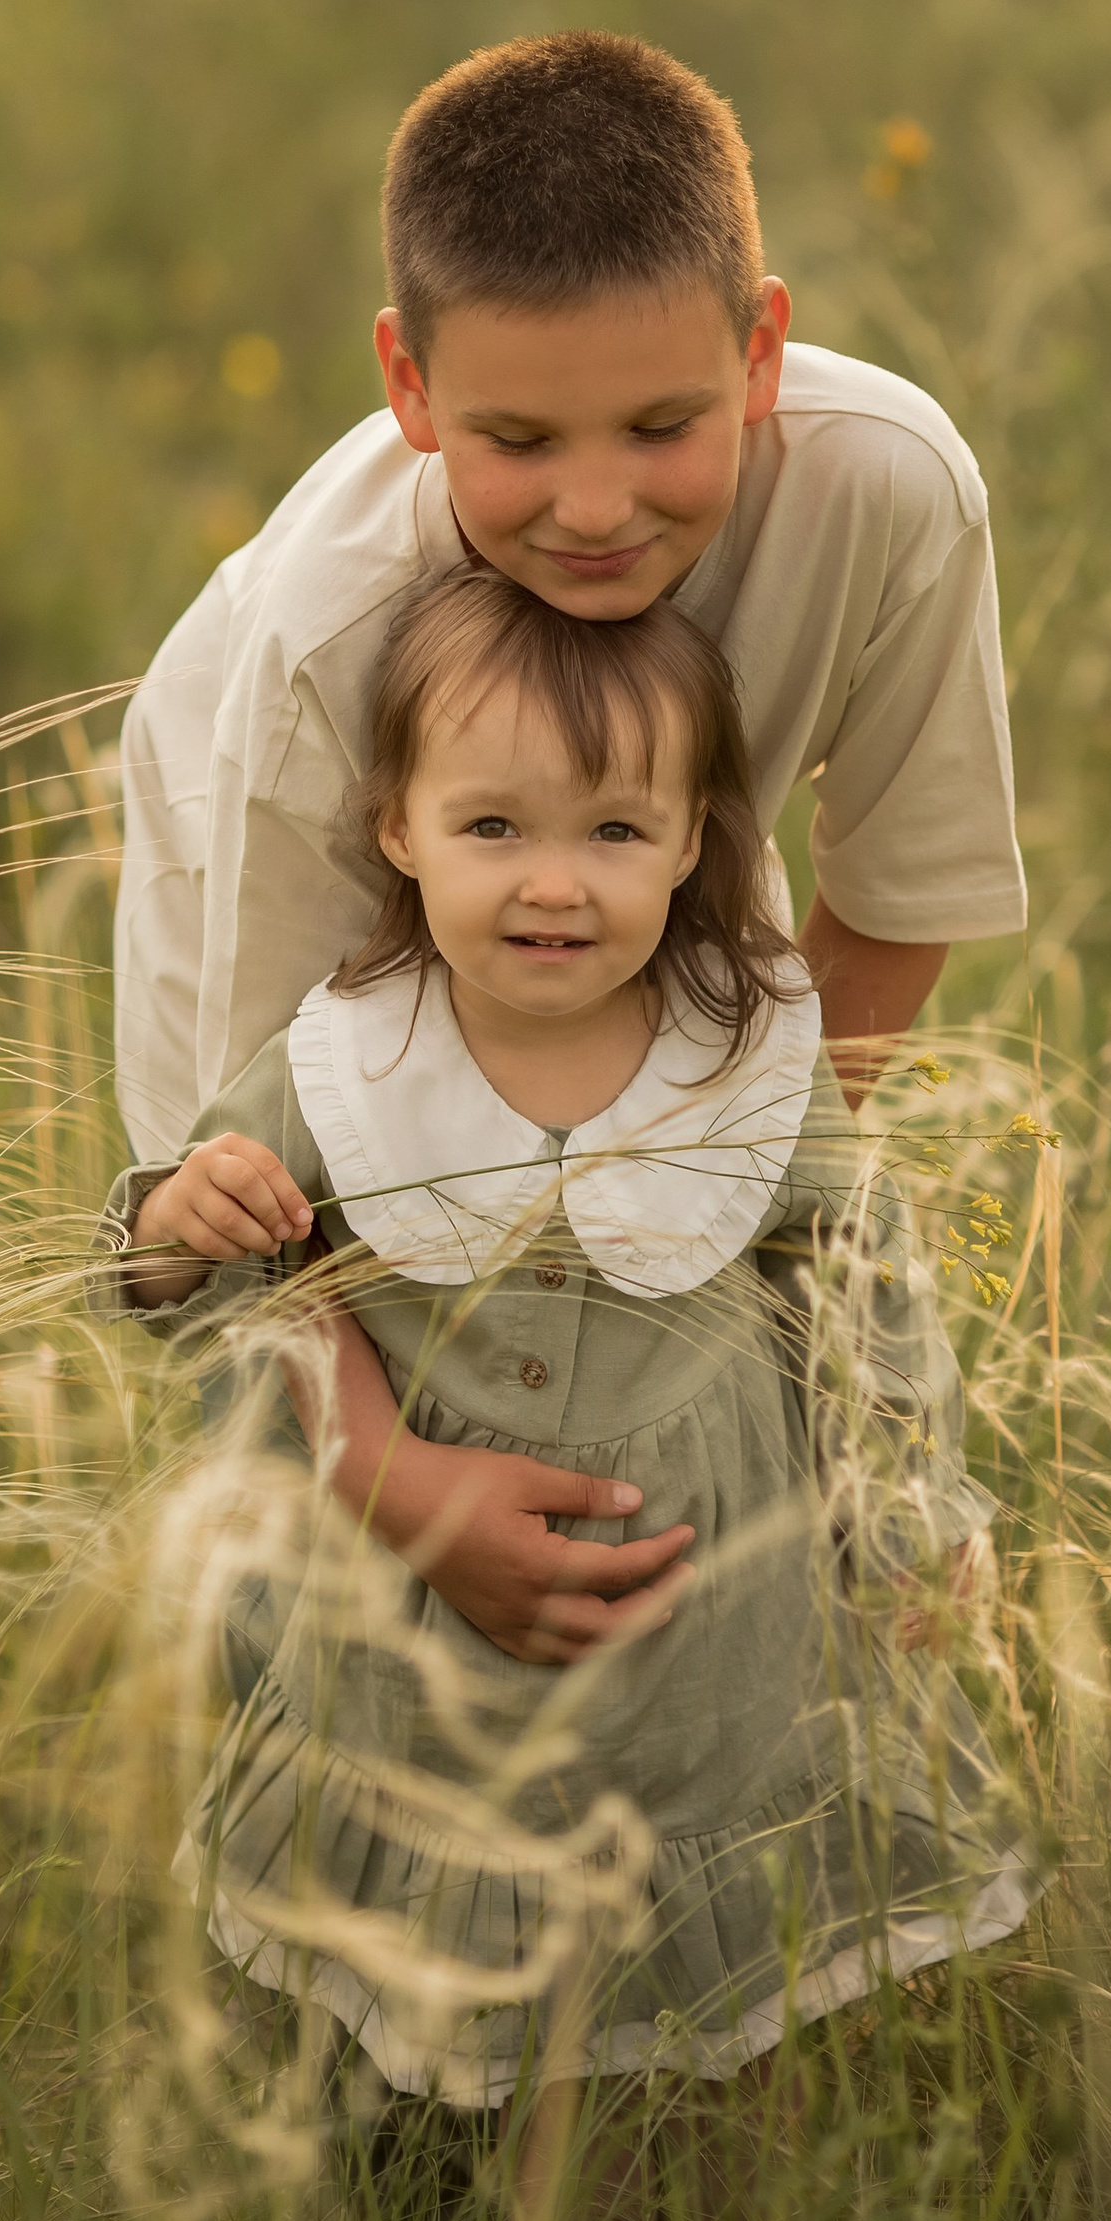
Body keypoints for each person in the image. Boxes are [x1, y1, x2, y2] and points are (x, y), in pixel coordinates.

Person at [106, 29, 1026, 1662]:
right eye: (518, 443)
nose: (595, 508)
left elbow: (885, 918)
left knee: (731, 1513)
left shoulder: (889, 494)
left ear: (762, 350)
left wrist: (749, 1248)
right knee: (335, 1573)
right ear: (409, 387)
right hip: (291, 926)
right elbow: (246, 1185)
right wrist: (398, 1482)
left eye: (663, 426)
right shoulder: (326, 647)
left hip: (634, 884)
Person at [115, 559, 1036, 2111]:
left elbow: (863, 1284)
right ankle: (417, 2171)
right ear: (399, 830)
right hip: (422, 1640)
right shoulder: (339, 1060)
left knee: (700, 1976)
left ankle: (671, 2204)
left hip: (716, 1634)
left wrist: (911, 1517)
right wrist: (177, 1220)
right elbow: (197, 1292)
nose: (556, 883)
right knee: (437, 1919)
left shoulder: (746, 1055)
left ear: (691, 845)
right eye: (494, 829)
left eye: (616, 830)